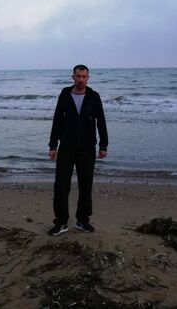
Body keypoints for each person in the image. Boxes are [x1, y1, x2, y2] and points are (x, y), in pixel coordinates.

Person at [48, 64, 108, 235]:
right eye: (78, 76)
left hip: (87, 148)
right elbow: (57, 119)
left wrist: (103, 145)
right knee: (61, 186)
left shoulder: (94, 96)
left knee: (85, 186)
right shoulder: (65, 94)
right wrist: (53, 145)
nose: (81, 79)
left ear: (88, 78)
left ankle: (82, 221)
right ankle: (61, 222)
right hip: (66, 147)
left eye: (84, 76)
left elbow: (101, 121)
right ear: (73, 77)